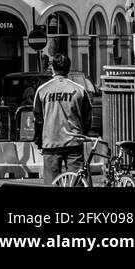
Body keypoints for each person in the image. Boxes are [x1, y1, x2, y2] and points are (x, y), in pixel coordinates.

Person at [33, 53, 92, 185]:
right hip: (74, 142)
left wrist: (38, 141)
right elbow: (87, 117)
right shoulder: (79, 90)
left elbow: (38, 119)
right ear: (68, 69)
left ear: (52, 69)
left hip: (51, 142)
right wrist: (83, 135)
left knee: (52, 183)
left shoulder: (42, 90)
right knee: (77, 182)